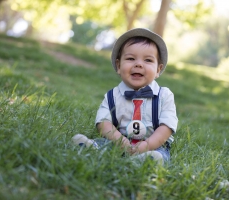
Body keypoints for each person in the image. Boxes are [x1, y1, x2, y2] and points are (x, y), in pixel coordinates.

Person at [72, 28, 178, 165]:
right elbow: (103, 122)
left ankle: (149, 160)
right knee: (105, 143)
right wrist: (120, 141)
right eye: (130, 58)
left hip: (153, 144)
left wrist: (147, 145)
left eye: (148, 60)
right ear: (118, 66)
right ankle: (91, 147)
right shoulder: (112, 95)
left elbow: (167, 127)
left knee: (160, 154)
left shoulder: (165, 95)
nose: (138, 64)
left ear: (158, 70)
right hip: (119, 141)